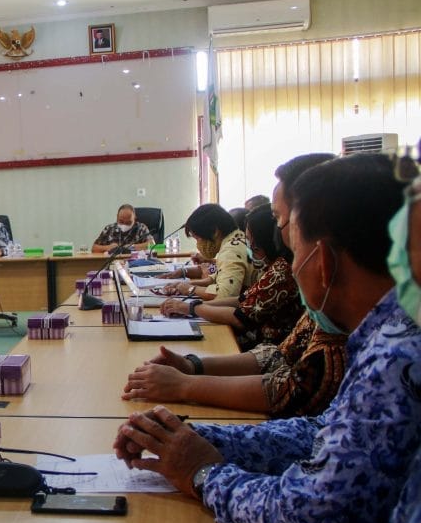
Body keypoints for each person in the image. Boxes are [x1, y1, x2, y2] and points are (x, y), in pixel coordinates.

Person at [57, 152, 421, 523]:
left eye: (293, 240)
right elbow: (323, 435)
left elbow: (313, 520)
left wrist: (203, 472)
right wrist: (196, 438)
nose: (289, 261)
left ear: (324, 262)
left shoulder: (398, 354)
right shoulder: (385, 334)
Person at [124, 153, 346, 417]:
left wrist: (187, 383)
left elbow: (291, 391)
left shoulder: (356, 341)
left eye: (278, 218)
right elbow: (277, 356)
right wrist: (192, 367)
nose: (279, 232)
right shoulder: (323, 318)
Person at [161, 205, 302, 350]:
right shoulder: (272, 264)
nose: (249, 247)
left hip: (264, 344)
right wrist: (190, 303)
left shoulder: (281, 271)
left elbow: (234, 307)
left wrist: (191, 305)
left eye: (253, 244)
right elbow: (241, 299)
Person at [158, 204, 252, 300]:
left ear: (215, 231)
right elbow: (214, 279)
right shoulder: (237, 240)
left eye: (198, 238)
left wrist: (190, 289)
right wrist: (182, 284)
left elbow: (224, 295)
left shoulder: (231, 250)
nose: (198, 245)